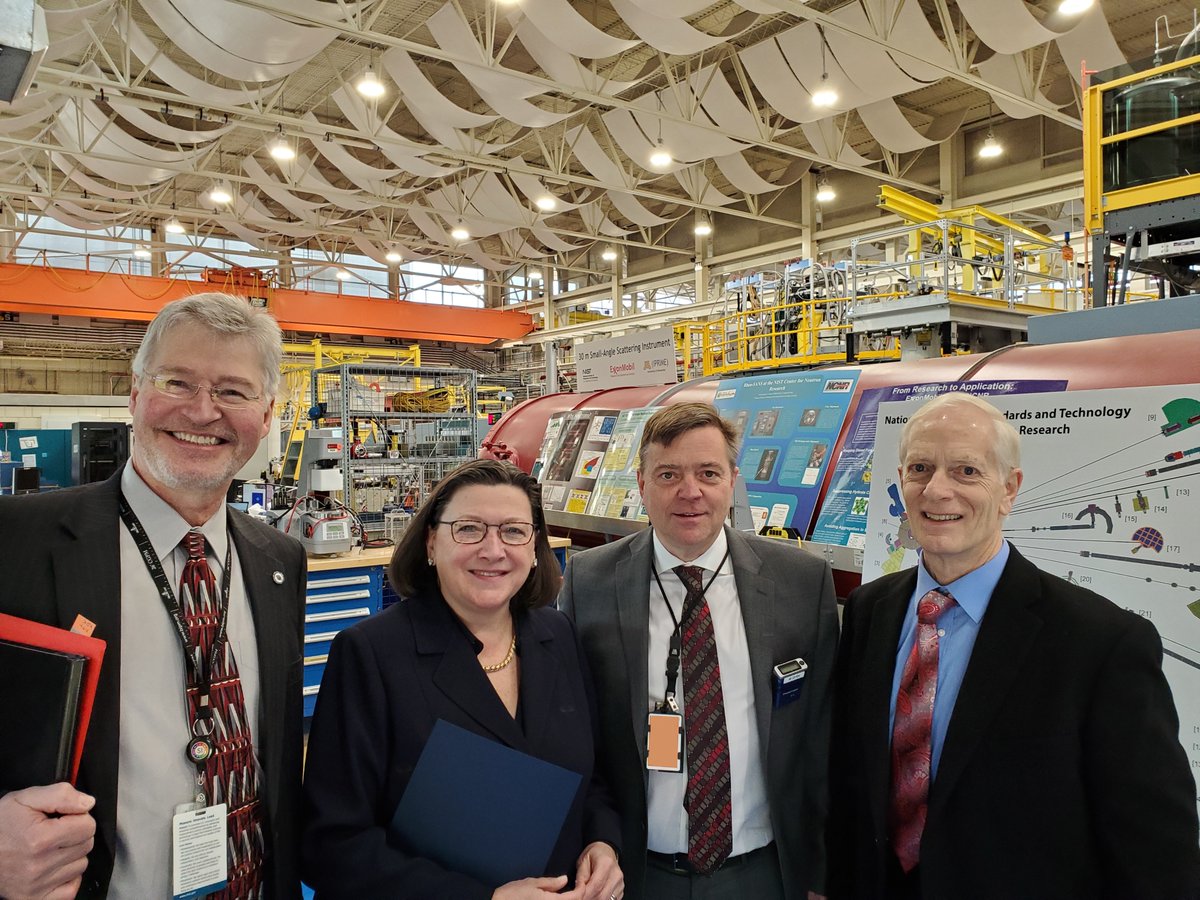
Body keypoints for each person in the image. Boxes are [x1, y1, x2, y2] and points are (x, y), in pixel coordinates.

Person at [828, 392, 1200, 899]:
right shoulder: (871, 611)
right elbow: (854, 774)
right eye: (920, 468)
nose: (937, 490)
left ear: (1009, 488)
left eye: (965, 471)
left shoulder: (1102, 644)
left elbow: (1156, 845)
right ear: (900, 479)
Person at [0, 292, 306, 898]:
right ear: (135, 395)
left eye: (233, 391)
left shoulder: (280, 560)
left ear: (266, 416)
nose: (202, 411)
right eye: (178, 381)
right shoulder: (17, 543)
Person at [302, 459, 624, 900]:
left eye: (513, 531)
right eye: (469, 529)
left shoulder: (558, 635)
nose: (493, 550)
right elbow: (331, 844)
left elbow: (591, 781)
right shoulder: (372, 654)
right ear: (432, 542)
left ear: (534, 550)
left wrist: (602, 843)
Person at [560, 402, 838, 900]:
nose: (690, 492)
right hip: (636, 875)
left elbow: (820, 734)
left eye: (708, 473)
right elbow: (575, 735)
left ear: (732, 480)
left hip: (764, 874)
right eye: (669, 474)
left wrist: (819, 874)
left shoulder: (800, 581)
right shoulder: (590, 581)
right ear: (642, 485)